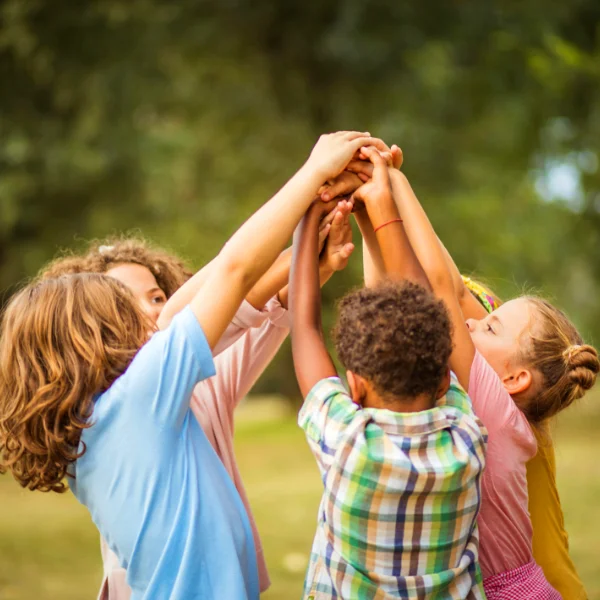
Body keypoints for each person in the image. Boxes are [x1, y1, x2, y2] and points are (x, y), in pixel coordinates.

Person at [0, 130, 385, 600]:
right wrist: (312, 175)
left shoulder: (96, 421)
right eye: (120, 309)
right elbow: (232, 270)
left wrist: (309, 236)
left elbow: (214, 285)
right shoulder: (140, 395)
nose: (151, 318)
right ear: (90, 340)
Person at [41, 220, 354, 600]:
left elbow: (267, 309)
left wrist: (316, 262)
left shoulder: (205, 382)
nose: (148, 311)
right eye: (123, 301)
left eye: (157, 297)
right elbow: (241, 278)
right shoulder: (106, 410)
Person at [336, 146, 599, 598]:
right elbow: (393, 297)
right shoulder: (483, 406)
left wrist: (394, 184)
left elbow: (444, 287)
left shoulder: (495, 410)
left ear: (516, 377)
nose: (474, 320)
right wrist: (368, 216)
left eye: (490, 323)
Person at [289, 148, 488, 599]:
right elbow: (427, 308)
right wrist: (381, 212)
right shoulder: (466, 438)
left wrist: (310, 214)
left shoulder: (348, 442)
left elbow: (303, 329)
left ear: (354, 385)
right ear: (442, 380)